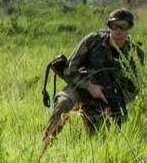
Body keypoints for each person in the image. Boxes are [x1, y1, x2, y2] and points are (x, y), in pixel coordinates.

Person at [43, 8, 144, 142]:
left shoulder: (135, 53)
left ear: (129, 28)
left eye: (123, 26)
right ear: (109, 26)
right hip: (80, 88)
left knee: (99, 139)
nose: (118, 30)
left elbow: (135, 87)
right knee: (64, 102)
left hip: (105, 100)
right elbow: (69, 71)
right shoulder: (93, 41)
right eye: (114, 26)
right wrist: (90, 86)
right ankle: (46, 143)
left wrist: (116, 101)